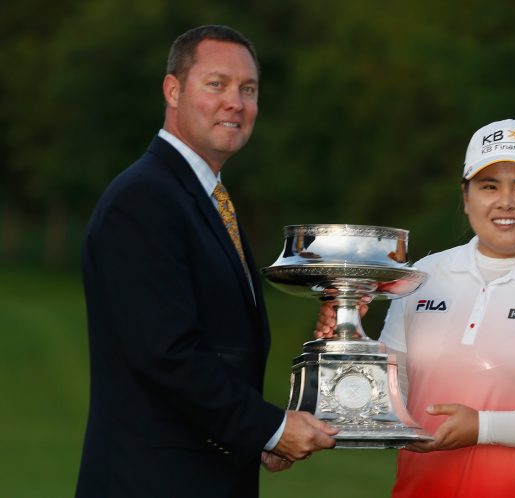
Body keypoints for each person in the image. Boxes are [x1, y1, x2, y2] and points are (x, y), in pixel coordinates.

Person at [76, 25, 337, 498]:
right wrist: (270, 428)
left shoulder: (200, 196)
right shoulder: (144, 199)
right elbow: (167, 355)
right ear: (173, 90)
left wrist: (255, 434)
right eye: (216, 84)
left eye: (248, 89)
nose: (235, 102)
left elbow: (220, 347)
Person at [315, 119, 515, 497]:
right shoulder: (423, 276)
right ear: (466, 198)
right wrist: (346, 349)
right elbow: (393, 395)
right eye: (489, 185)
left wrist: (484, 427)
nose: (506, 201)